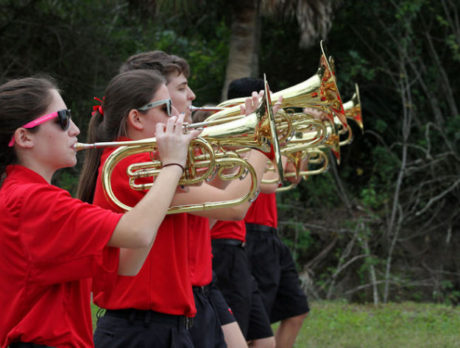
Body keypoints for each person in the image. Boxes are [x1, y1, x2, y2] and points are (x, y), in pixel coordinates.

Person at [77, 68, 270, 348]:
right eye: (167, 108)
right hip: (143, 329)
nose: (177, 116)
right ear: (136, 118)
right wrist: (263, 139)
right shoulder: (136, 165)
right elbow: (234, 207)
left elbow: (212, 212)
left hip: (161, 325)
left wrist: (238, 145)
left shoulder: (152, 162)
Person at [0, 75, 196, 348]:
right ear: (24, 137)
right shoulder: (32, 200)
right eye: (63, 118)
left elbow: (129, 263)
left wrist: (164, 180)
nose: (76, 130)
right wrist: (173, 164)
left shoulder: (28, 196)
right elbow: (137, 232)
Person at [230, 78, 310, 348]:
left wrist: (307, 129)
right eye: (269, 100)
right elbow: (274, 179)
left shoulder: (265, 135)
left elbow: (294, 173)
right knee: (254, 325)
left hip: (268, 233)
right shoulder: (240, 136)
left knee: (296, 310)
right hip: (249, 232)